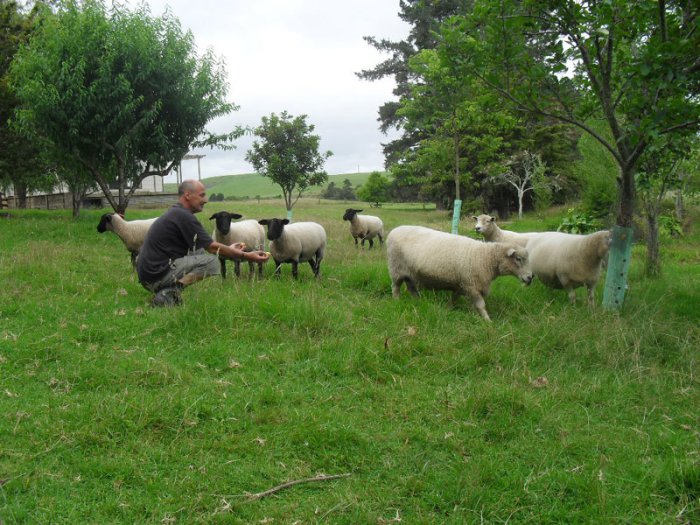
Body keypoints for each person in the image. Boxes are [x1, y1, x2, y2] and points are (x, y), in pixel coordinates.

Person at [136, 179, 269, 307]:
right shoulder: (183, 216)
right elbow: (212, 248)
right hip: (155, 276)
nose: (205, 200)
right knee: (213, 262)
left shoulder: (177, 212)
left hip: (149, 273)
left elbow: (207, 246)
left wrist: (228, 248)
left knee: (199, 251)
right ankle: (169, 292)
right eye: (202, 195)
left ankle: (168, 290)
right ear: (187, 195)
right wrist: (248, 255)